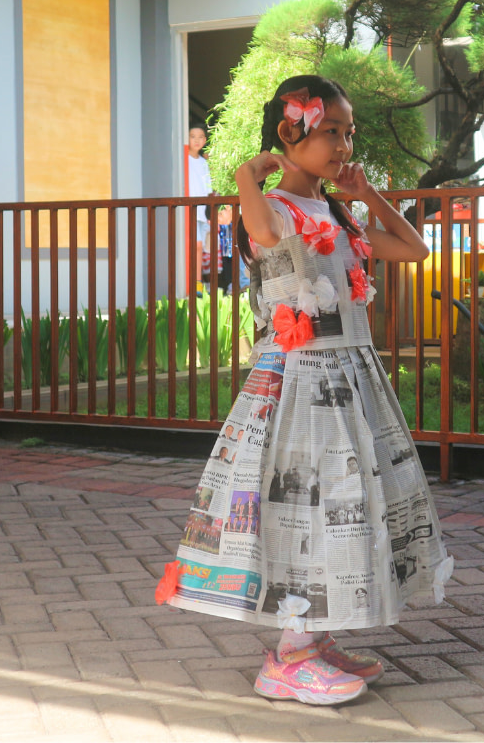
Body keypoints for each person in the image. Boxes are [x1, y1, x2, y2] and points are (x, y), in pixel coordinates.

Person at [158, 75, 452, 707]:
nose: (344, 144)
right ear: (290, 133)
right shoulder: (276, 209)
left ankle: (313, 638)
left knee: (345, 501)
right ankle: (286, 658)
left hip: (350, 373)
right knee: (305, 507)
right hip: (299, 381)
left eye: (349, 133)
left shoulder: (338, 216)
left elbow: (412, 247)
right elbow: (263, 236)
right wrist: (245, 176)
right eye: (331, 133)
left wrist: (367, 192)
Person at [187, 125, 215, 291]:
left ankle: (197, 284)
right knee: (194, 245)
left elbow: (209, 190)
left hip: (200, 210)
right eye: (192, 136)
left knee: (199, 247)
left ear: (204, 140)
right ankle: (193, 283)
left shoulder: (204, 163)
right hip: (187, 208)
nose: (196, 140)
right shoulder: (183, 159)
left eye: (200, 137)